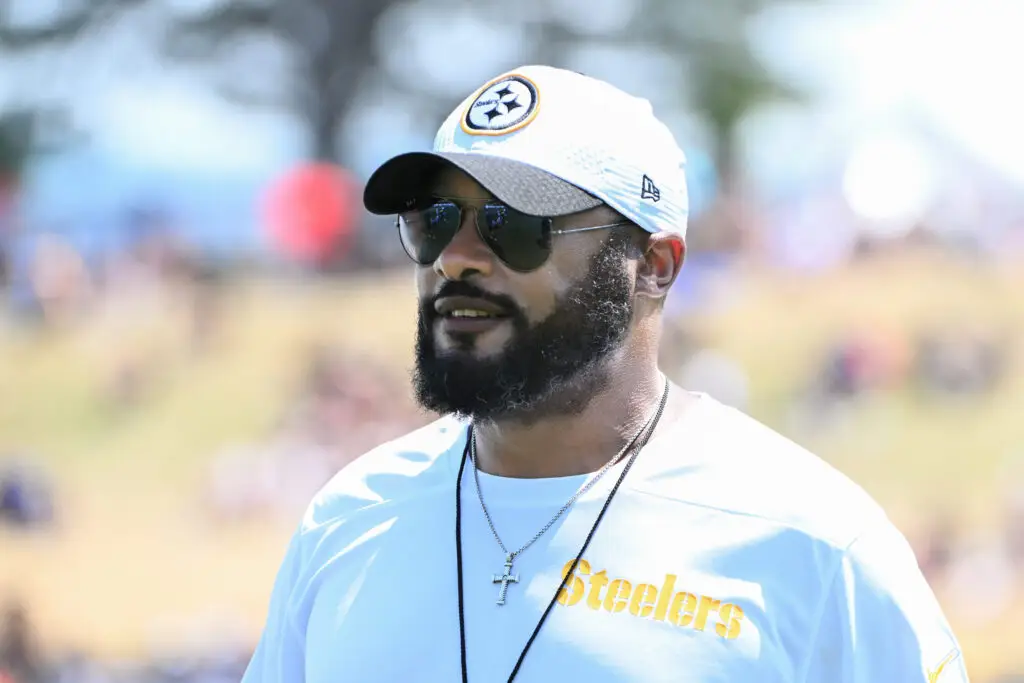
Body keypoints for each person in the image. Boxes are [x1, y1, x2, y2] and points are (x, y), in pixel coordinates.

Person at [242, 65, 967, 683]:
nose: (456, 258)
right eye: (435, 219)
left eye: (512, 223)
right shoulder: (347, 521)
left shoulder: (812, 542)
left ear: (654, 265)